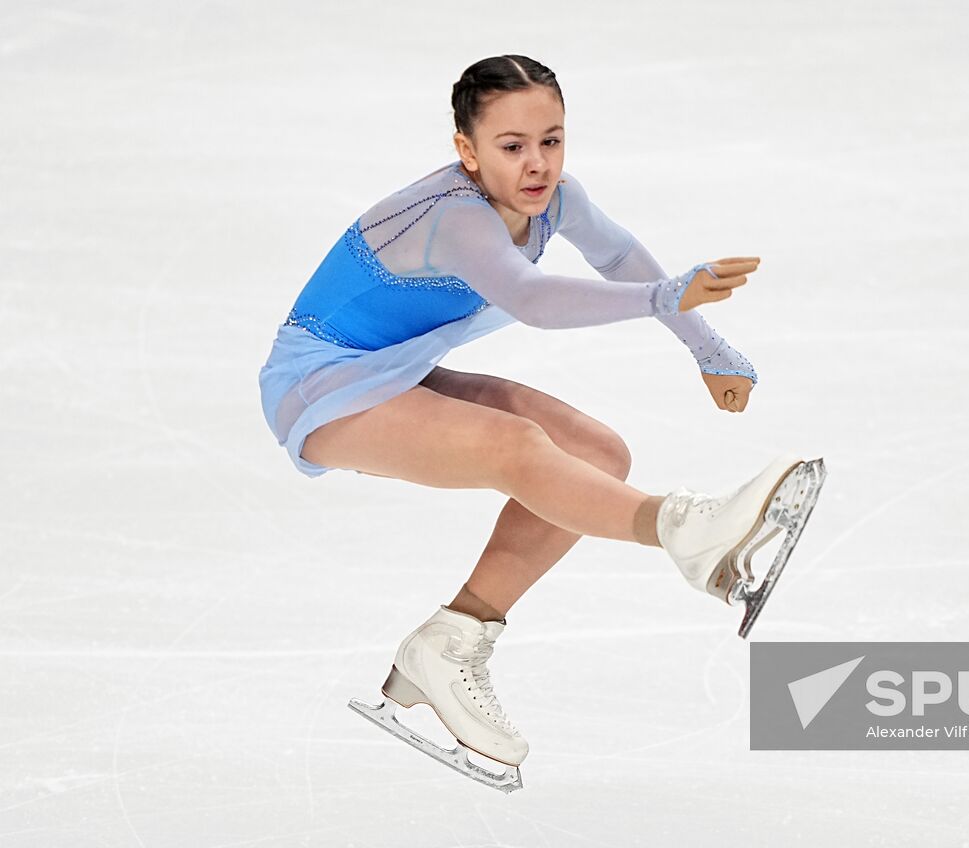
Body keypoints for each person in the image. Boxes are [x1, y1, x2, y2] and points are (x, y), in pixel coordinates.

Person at [257, 54, 824, 791]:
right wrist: (664, 298)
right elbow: (534, 300)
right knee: (516, 447)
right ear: (467, 151)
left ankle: (452, 639)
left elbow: (618, 255)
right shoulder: (453, 218)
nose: (537, 164)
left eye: (551, 141)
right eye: (512, 146)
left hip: (390, 368)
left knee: (593, 450)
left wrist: (706, 347)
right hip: (318, 384)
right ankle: (687, 531)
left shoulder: (557, 200)